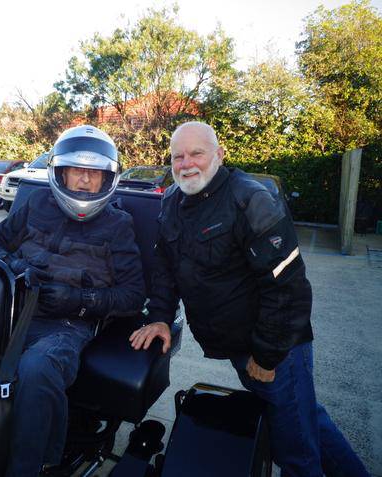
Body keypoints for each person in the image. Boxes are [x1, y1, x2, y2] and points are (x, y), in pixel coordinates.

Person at [130, 121, 369, 477]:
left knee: (294, 450)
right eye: (178, 156)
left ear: (219, 155)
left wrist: (267, 355)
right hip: (239, 346)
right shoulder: (172, 203)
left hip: (276, 348)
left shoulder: (251, 199)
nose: (186, 163)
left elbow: (287, 288)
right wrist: (161, 316)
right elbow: (165, 268)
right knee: (306, 420)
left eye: (197, 153)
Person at [0, 125, 145, 477]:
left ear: (106, 179)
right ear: (60, 172)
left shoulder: (118, 225)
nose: (84, 181)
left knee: (37, 369)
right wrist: (16, 265)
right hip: (8, 305)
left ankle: (32, 467)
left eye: (94, 173)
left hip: (66, 324)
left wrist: (81, 300)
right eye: (76, 171)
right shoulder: (37, 203)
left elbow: (133, 295)